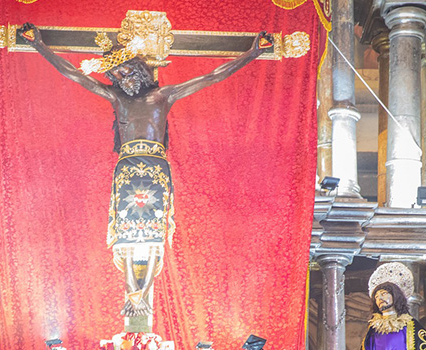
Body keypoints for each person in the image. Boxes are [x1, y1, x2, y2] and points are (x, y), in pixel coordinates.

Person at [20, 20, 273, 317]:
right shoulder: (117, 99)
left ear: (138, 69)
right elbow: (76, 75)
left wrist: (252, 53)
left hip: (154, 170)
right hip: (127, 169)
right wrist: (39, 46)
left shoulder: (163, 97)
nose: (122, 80)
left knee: (154, 230)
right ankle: (132, 291)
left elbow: (212, 77)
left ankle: (141, 293)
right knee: (126, 230)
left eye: (125, 72)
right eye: (116, 76)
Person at [362, 262, 426, 350]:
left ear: (395, 295)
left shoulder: (411, 326)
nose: (380, 298)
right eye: (376, 296)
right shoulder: (373, 330)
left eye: (384, 294)